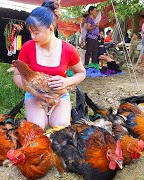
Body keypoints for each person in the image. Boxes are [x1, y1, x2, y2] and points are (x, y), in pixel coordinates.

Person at [13, 0, 86, 129]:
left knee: (61, 126)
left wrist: (67, 81)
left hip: (60, 94)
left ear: (50, 29)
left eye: (36, 33)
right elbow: (17, 76)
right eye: (30, 32)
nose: (32, 37)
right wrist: (33, 92)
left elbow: (81, 73)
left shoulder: (68, 49)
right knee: (37, 127)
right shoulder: (28, 47)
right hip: (35, 94)